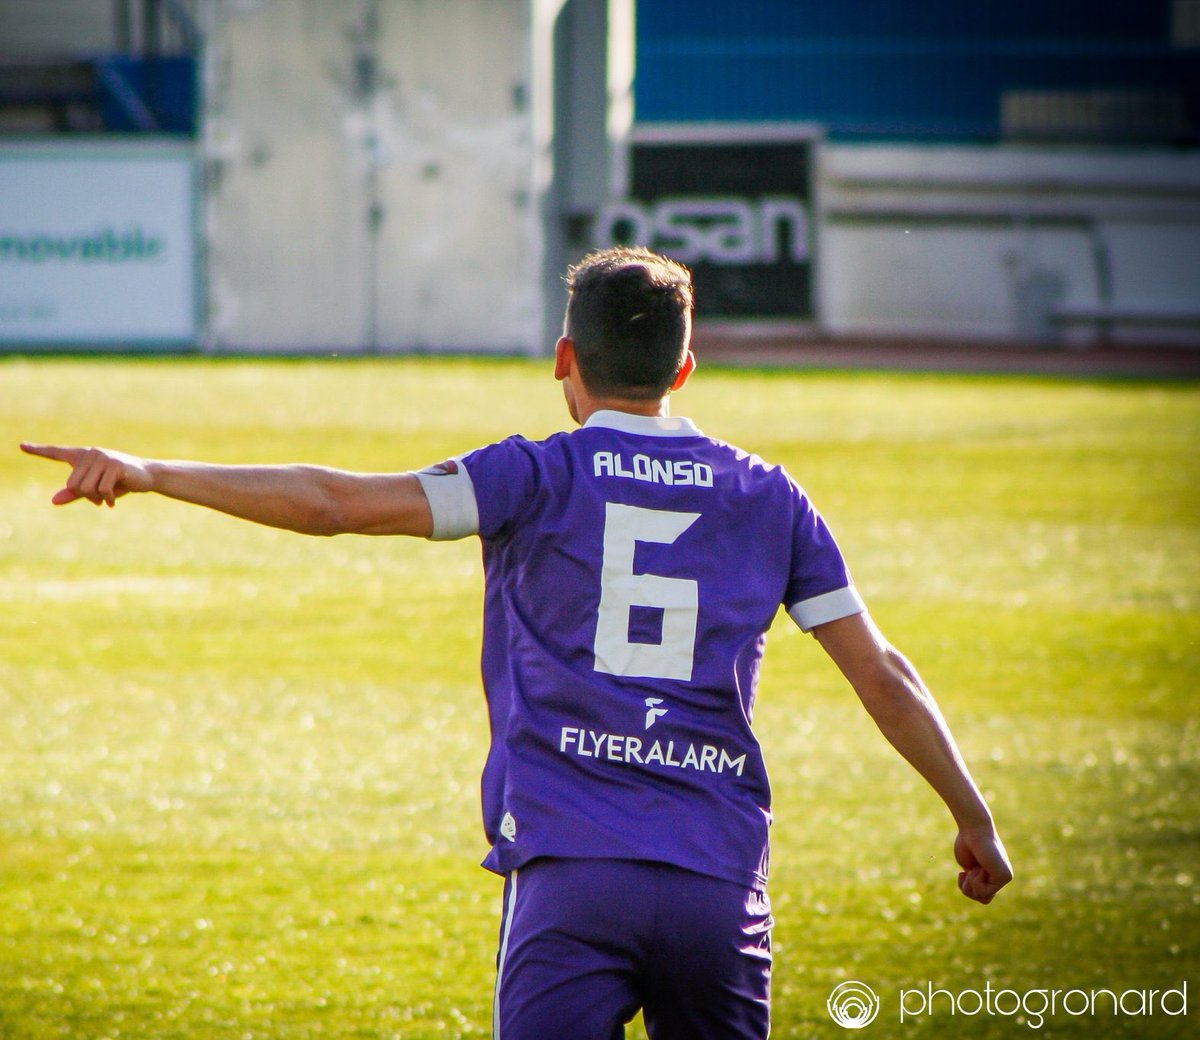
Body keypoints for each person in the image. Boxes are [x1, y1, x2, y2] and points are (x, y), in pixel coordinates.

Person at [22, 246, 1011, 1039]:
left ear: (563, 360)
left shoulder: (528, 476)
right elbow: (882, 671)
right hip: (716, 878)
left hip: (571, 872)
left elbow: (333, 504)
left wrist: (149, 468)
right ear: (684, 367)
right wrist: (972, 814)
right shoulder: (769, 495)